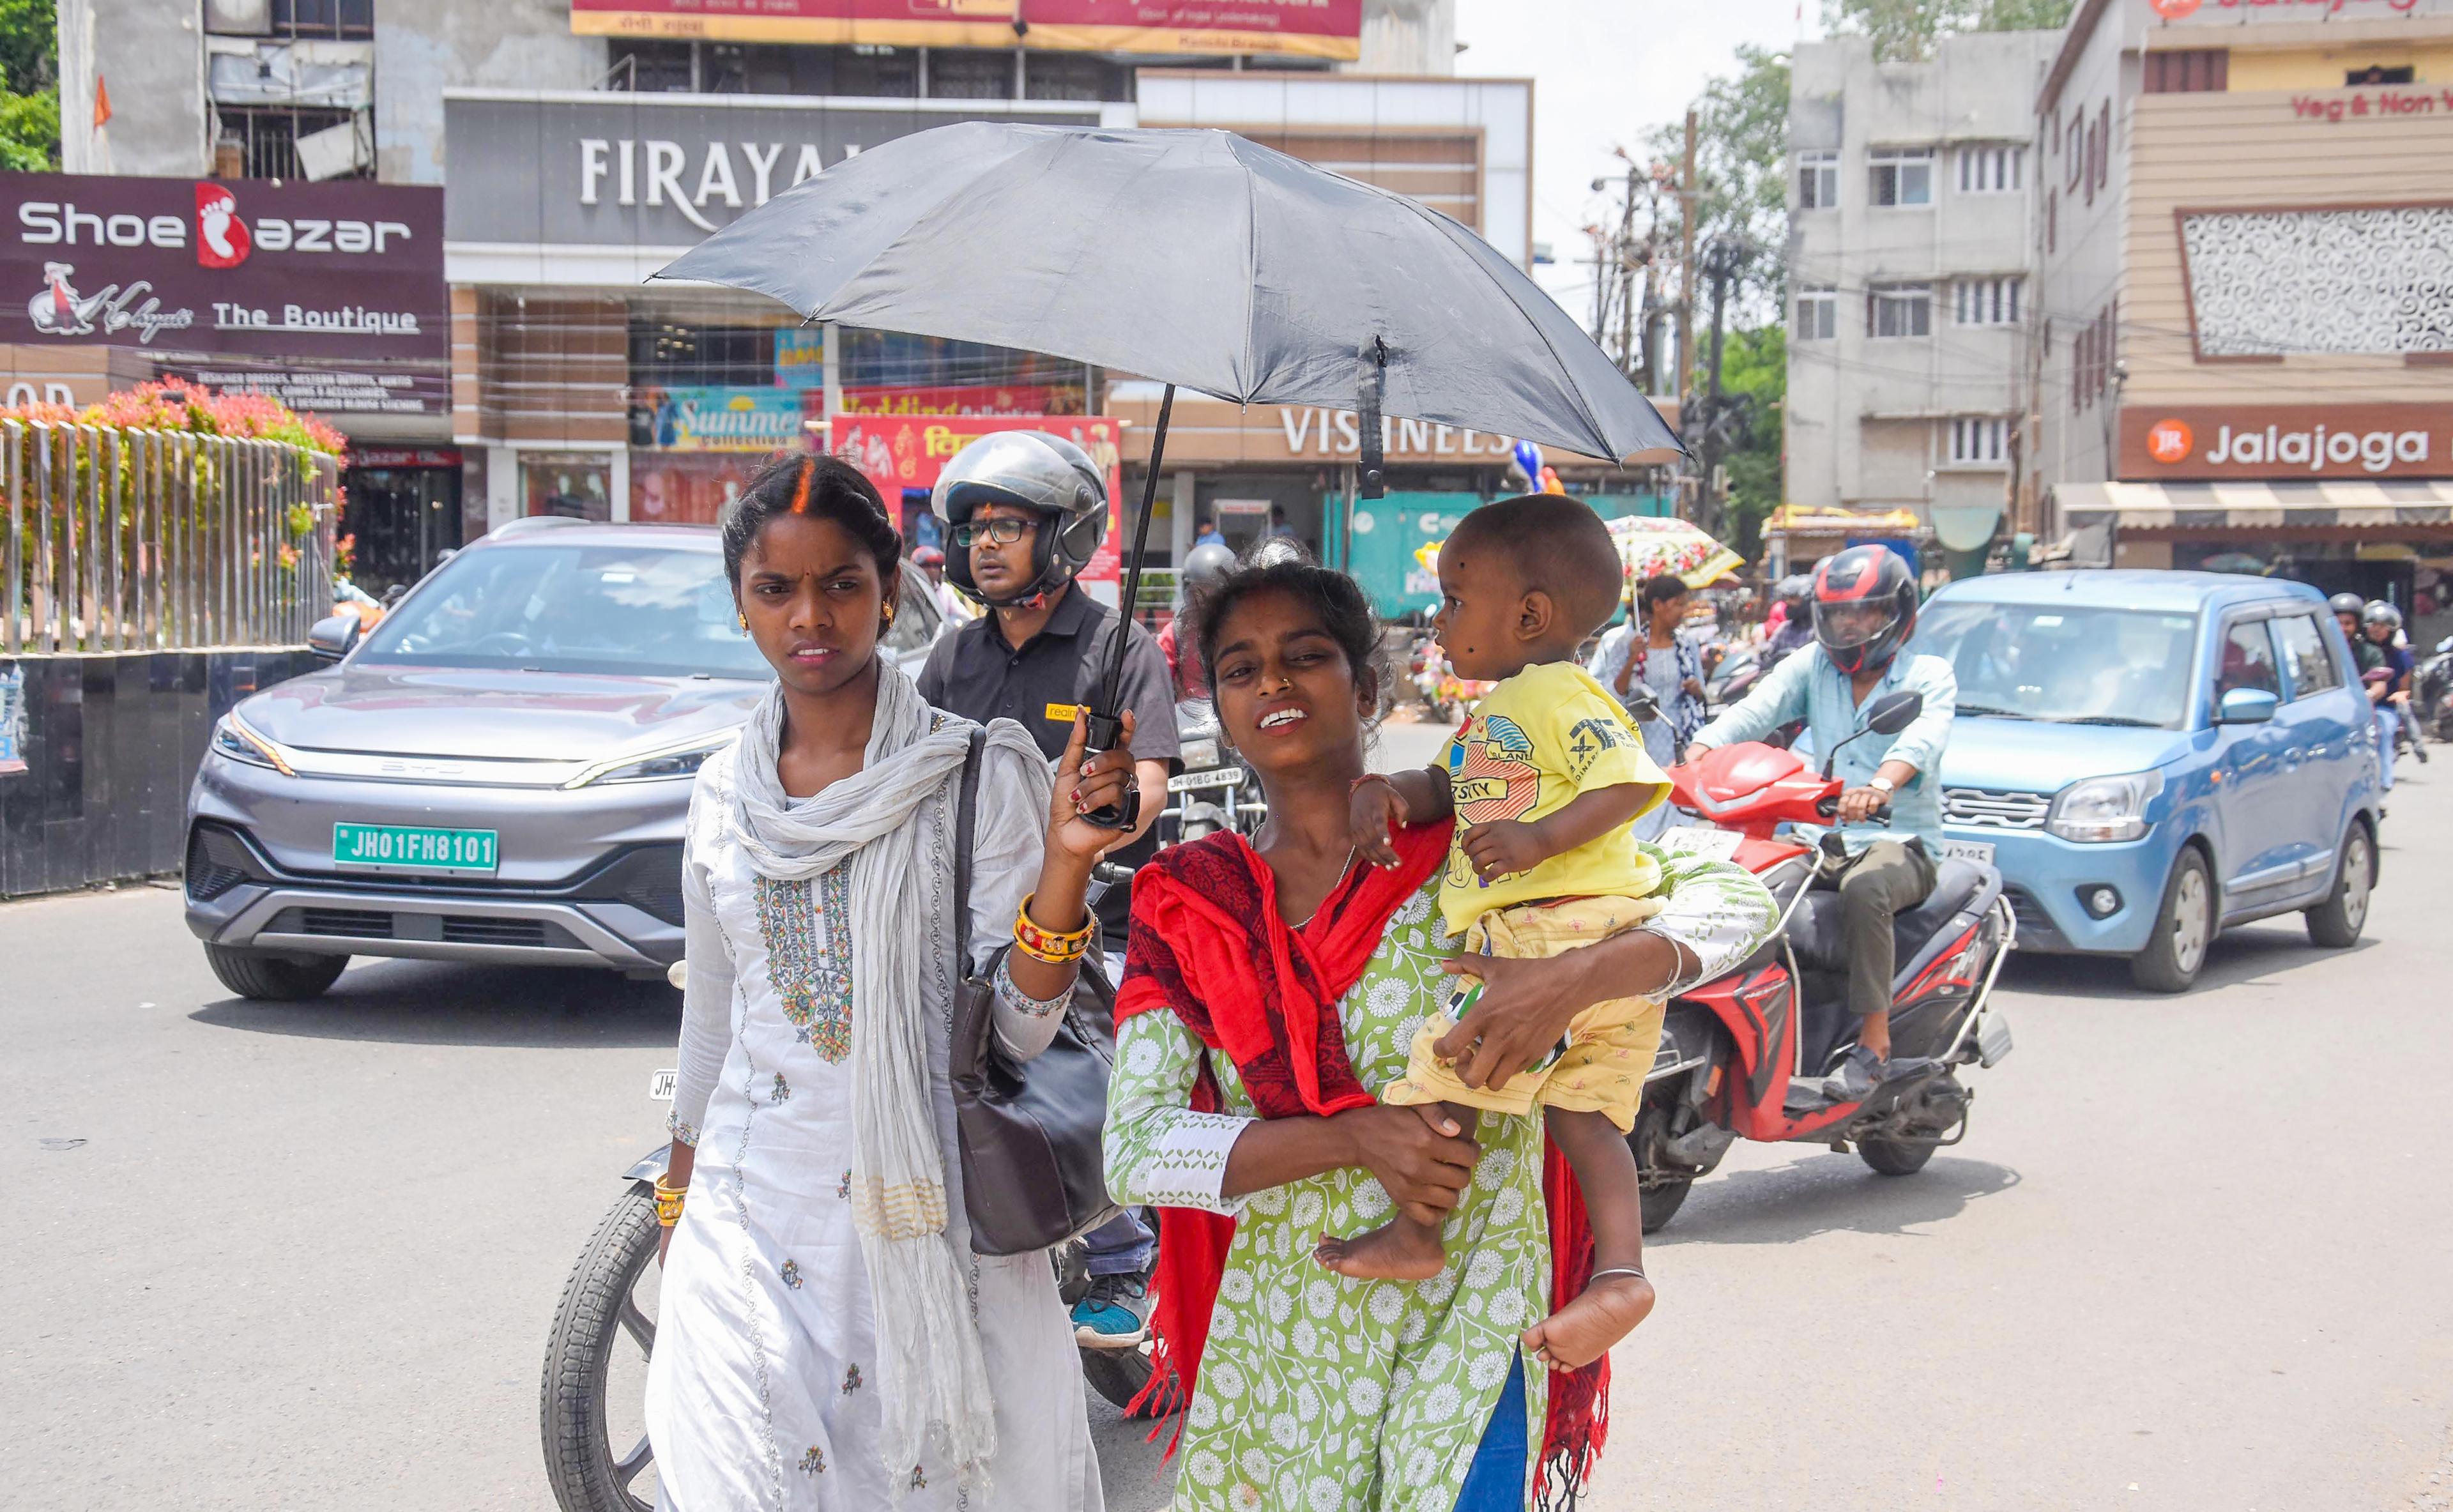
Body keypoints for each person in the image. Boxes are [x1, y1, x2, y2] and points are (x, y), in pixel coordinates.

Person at [1104, 553, 1778, 1512]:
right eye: (1242, 669)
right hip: (1287, 1324)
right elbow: (1135, 1153)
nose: (1275, 683)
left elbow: (1733, 897)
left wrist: (1578, 976)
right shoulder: (1189, 899)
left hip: (1476, 1300)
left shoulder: (1488, 841)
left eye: (1306, 655)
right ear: (1215, 701)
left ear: (1367, 684)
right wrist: (1351, 1136)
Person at [645, 454, 1134, 1509]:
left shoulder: (975, 776)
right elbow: (715, 1012)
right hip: (748, 1214)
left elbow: (1018, 1034)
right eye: (778, 588)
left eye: (842, 584)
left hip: (927, 1227)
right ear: (741, 601)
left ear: (890, 589)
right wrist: (679, 1195)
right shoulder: (722, 791)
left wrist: (1066, 866)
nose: (810, 616)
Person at [1323, 497, 1670, 1368]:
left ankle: (1415, 1229)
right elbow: (1449, 785)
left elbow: (1630, 781)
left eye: (1452, 601)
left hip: (1552, 933)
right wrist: (1392, 791)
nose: (1440, 622)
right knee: (1585, 1118)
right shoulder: (1503, 712)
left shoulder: (1557, 691)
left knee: (1441, 1070)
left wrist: (1538, 841)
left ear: (1530, 615)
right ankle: (1622, 1271)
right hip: (1594, 948)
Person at [912, 429, 1179, 1349]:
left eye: (1009, 524)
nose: (985, 542)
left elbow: (1151, 779)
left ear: (1064, 537)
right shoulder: (950, 658)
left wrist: (1112, 810)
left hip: (1092, 911)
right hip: (967, 910)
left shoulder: (1117, 646)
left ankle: (1121, 1256)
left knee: (1067, 1068)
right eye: (975, 526)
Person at [1687, 544, 1957, 1103]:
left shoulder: (1929, 675)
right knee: (1749, 889)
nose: (1850, 624)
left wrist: (1880, 786)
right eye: (1838, 614)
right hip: (1821, 837)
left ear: (1896, 613)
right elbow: (1757, 709)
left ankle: (1874, 1042)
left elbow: (1921, 740)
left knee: (1865, 887)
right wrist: (1701, 751)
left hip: (1899, 843)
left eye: (1865, 612)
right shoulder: (1813, 665)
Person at [1586, 573, 1707, 840]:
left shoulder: (1687, 645)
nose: (1683, 611)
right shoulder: (1626, 643)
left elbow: (1701, 692)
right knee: (1644, 798)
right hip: (1640, 737)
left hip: (1677, 737)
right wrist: (1631, 659)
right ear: (1658, 605)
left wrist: (1697, 689)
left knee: (1677, 800)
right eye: (1678, 604)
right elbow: (1612, 695)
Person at [1158, 540, 1237, 701]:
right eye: (1198, 593)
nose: (1205, 601)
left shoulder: (1246, 631)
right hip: (1189, 720)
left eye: (1213, 594)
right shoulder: (1176, 632)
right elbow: (1157, 682)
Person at [2364, 600, 2424, 767]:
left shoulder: (2401, 657)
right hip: (2363, 702)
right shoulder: (2359, 651)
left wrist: (2399, 696)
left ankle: (2418, 746)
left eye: (2382, 626)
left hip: (2387, 705)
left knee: (2404, 709)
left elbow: (2404, 688)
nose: (2377, 629)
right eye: (2373, 624)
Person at [910, 543, 975, 623]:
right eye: (927, 566)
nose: (932, 570)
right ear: (916, 568)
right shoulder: (908, 590)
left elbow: (962, 614)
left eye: (936, 566)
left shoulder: (945, 590)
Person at [1764, 574, 1818, 664]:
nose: (1787, 602)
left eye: (1793, 598)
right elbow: (1768, 652)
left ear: (1808, 599)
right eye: (1787, 598)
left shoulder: (1819, 632)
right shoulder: (1785, 628)